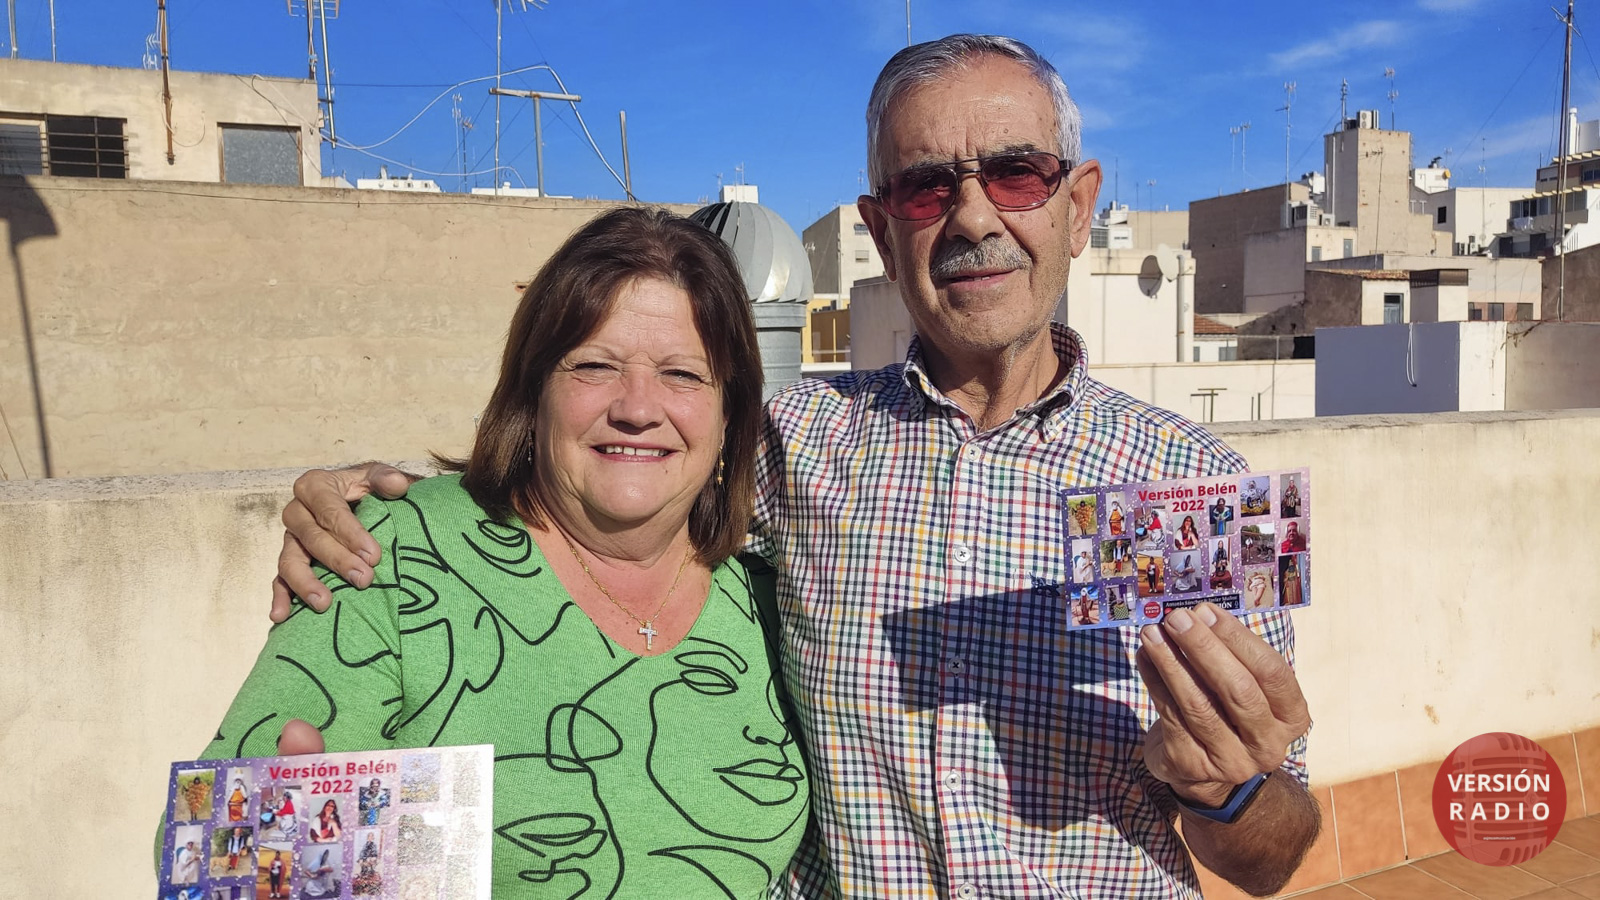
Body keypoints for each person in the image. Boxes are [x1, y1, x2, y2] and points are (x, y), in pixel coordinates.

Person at [270, 35, 1317, 898]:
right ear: (880, 230)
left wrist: (1226, 792)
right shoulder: (791, 443)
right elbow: (611, 464)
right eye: (925, 188)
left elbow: (1275, 856)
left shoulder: (1196, 487)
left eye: (1015, 173)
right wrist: (384, 504)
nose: (973, 217)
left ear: (1077, 204)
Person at [194, 208, 808, 896]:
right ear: (534, 391)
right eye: (595, 366)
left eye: (683, 374)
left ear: (730, 412)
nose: (638, 408)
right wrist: (309, 863)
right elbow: (216, 851)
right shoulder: (398, 555)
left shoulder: (768, 590)